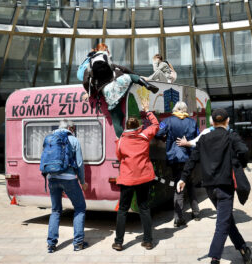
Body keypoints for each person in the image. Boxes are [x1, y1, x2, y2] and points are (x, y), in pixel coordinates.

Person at [177, 108, 252, 264]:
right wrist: (241, 164)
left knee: (226, 220)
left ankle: (243, 248)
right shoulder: (231, 136)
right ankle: (215, 258)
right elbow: (244, 150)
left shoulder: (204, 138)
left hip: (210, 188)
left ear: (212, 122)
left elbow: (192, 159)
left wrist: (183, 178)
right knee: (222, 223)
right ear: (227, 121)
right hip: (225, 187)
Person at [83, 43, 159, 138]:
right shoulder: (107, 60)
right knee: (131, 77)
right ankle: (145, 84)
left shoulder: (89, 66)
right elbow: (124, 69)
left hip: (107, 90)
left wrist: (90, 92)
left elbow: (86, 82)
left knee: (116, 118)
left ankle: (120, 140)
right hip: (120, 81)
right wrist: (137, 75)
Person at [112, 98, 159, 251]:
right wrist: (147, 110)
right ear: (138, 126)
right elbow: (156, 125)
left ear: (126, 127)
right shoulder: (144, 136)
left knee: (123, 210)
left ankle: (119, 242)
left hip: (127, 178)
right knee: (144, 208)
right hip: (144, 177)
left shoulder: (120, 141)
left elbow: (119, 157)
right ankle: (148, 241)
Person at [45, 120, 88, 253]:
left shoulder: (50, 139)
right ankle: (78, 243)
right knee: (80, 208)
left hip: (52, 177)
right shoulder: (73, 140)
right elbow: (79, 163)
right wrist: (82, 181)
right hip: (69, 178)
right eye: (74, 127)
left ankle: (51, 245)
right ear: (70, 127)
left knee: (56, 210)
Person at [155, 101, 200, 227]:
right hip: (189, 158)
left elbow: (158, 133)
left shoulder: (168, 121)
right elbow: (198, 138)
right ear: (185, 109)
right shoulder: (192, 122)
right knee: (190, 183)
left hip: (175, 158)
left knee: (179, 186)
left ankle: (178, 218)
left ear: (175, 109)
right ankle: (196, 212)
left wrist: (165, 138)